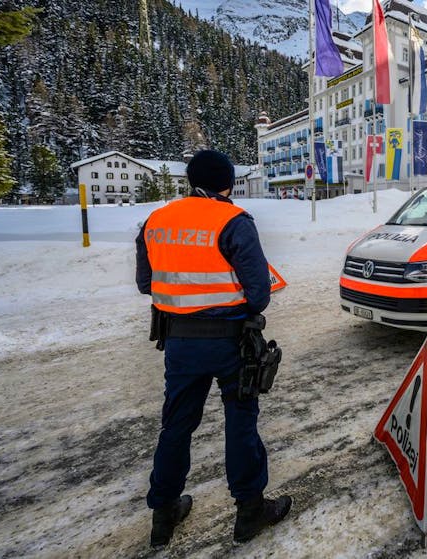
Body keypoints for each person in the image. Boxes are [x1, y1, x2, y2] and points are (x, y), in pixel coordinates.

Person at [135, 150, 291, 547]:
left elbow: (145, 284)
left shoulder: (156, 220)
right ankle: (249, 511)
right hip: (231, 341)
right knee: (240, 422)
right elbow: (258, 293)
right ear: (229, 184)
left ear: (190, 181)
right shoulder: (234, 221)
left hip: (180, 342)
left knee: (176, 426)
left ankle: (164, 512)